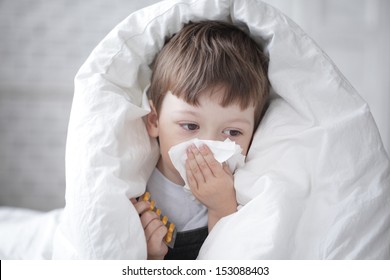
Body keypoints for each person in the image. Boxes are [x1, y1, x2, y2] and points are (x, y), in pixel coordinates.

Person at [131, 21, 269, 260]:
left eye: (233, 132)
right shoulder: (136, 183)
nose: (206, 144)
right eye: (190, 126)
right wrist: (151, 258)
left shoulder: (243, 189)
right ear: (154, 121)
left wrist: (221, 208)